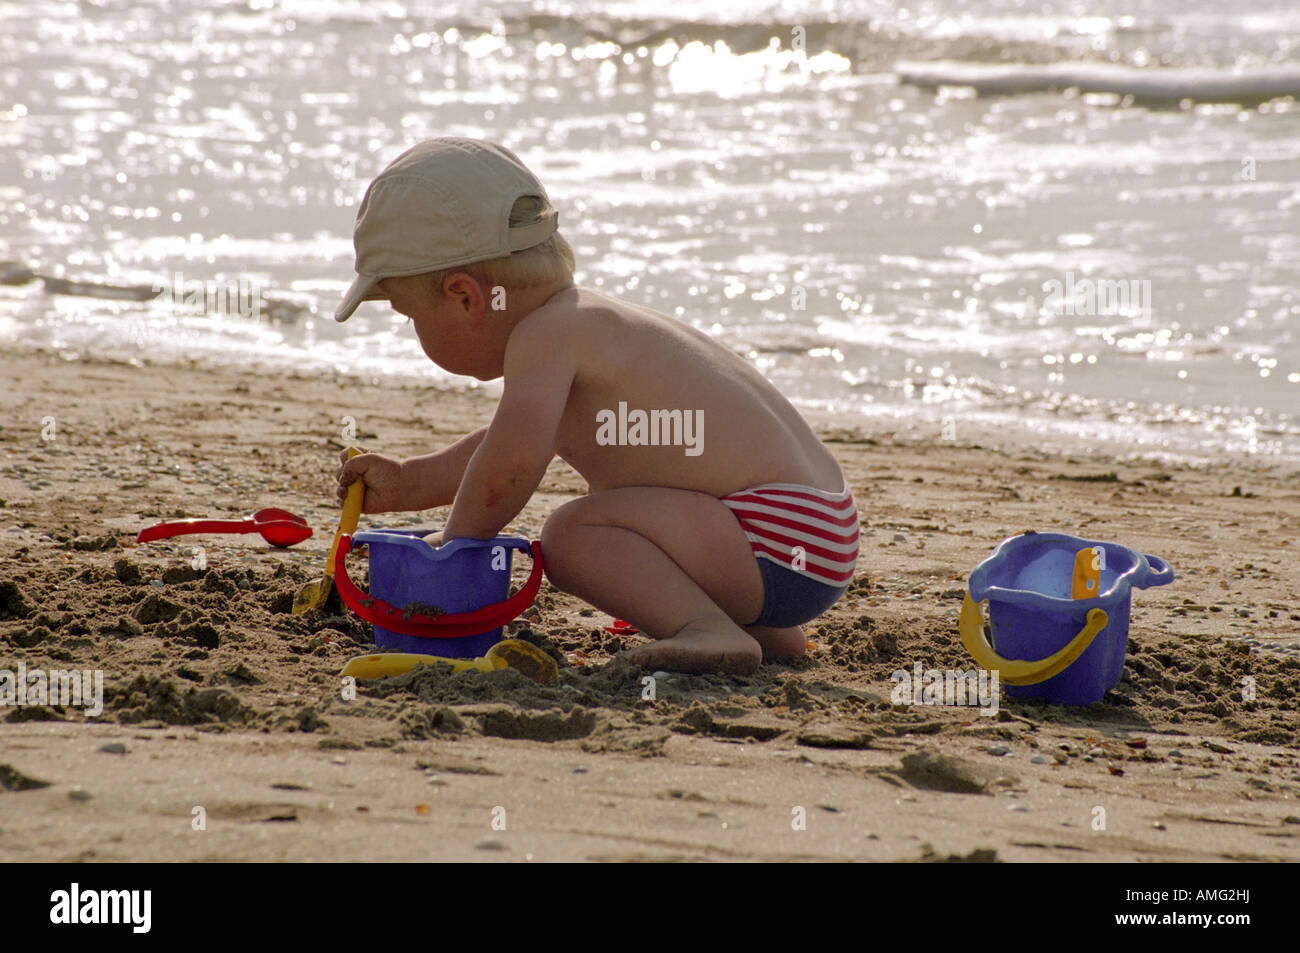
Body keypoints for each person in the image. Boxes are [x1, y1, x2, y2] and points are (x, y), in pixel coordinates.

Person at [333, 137, 858, 674]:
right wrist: (411, 481)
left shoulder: (548, 336)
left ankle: (707, 630)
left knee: (572, 535)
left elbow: (508, 468)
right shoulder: (588, 324)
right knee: (617, 506)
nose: (411, 330)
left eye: (407, 315)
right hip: (814, 535)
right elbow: (500, 445)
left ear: (466, 297)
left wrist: (452, 550)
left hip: (770, 532)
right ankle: (764, 633)